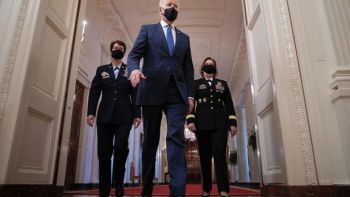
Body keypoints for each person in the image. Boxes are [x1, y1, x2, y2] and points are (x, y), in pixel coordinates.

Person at [127, 0, 194, 196]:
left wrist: (190, 95)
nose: (172, 7)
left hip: (177, 93)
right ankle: (147, 189)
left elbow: (188, 69)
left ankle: (178, 192)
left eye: (176, 4)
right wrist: (135, 70)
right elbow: (133, 56)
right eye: (168, 3)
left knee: (176, 138)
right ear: (160, 9)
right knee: (150, 141)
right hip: (151, 89)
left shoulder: (184, 38)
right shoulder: (148, 30)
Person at [87, 40, 141, 197]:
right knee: (104, 153)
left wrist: (137, 114)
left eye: (121, 49)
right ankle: (104, 190)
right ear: (111, 50)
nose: (118, 50)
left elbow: (135, 94)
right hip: (104, 116)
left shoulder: (130, 70)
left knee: (120, 149)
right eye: (116, 48)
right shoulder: (101, 70)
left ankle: (118, 185)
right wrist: (91, 112)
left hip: (125, 117)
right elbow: (94, 92)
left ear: (124, 52)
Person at [187, 57, 238, 197]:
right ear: (203, 67)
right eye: (207, 64)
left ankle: (223, 189)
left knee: (220, 155)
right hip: (201, 125)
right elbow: (191, 105)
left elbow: (229, 104)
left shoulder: (222, 84)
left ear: (215, 68)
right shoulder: (195, 84)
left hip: (220, 124)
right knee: (204, 157)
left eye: (212, 65)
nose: (209, 66)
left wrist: (232, 123)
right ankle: (206, 189)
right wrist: (190, 120)